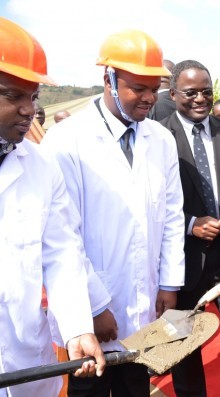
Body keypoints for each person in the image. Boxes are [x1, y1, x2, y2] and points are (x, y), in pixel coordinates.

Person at [42, 29, 186, 396]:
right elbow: (62, 236)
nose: (149, 98)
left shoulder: (162, 140)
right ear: (108, 79)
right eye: (138, 88)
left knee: (136, 386)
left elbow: (171, 215)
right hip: (92, 309)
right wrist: (94, 305)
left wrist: (169, 283)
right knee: (89, 389)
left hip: (145, 302)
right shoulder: (66, 142)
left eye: (154, 88)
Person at [0, 17, 105, 397]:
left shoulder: (41, 167)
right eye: (13, 95)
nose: (29, 110)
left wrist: (78, 326)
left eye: (33, 97)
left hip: (27, 364)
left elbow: (61, 253)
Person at [160, 60, 220, 397]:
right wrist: (190, 224)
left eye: (207, 92)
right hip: (183, 261)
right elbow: (153, 202)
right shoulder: (159, 135)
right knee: (185, 341)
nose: (200, 99)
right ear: (173, 94)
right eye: (190, 93)